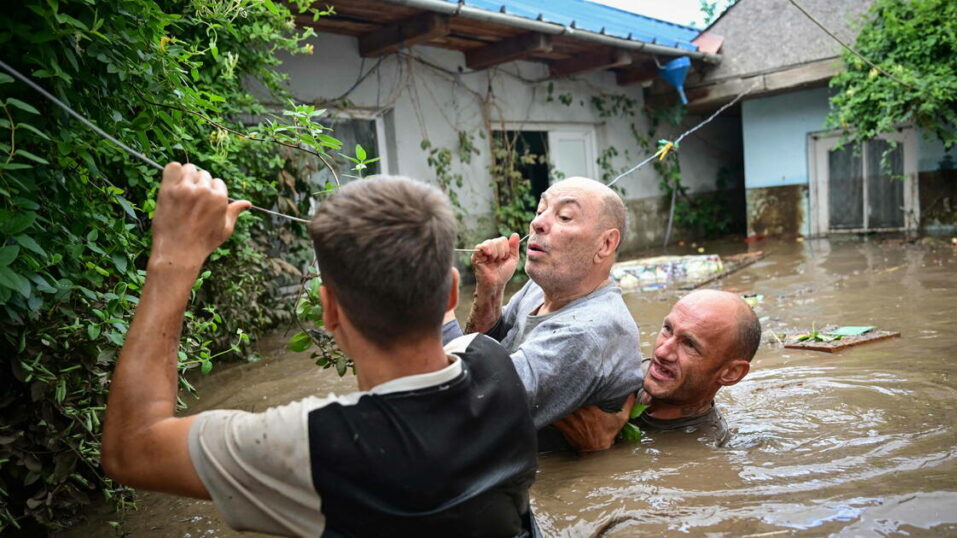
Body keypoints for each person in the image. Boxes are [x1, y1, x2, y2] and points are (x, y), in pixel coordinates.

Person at [101, 164, 538, 537]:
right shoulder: (495, 361)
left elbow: (132, 448)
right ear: (451, 294)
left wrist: (171, 260)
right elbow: (457, 349)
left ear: (328, 310)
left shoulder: (315, 443)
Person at [443, 177, 644, 448]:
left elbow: (467, 406)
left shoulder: (587, 330)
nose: (537, 223)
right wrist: (490, 291)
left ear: (606, 244)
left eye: (564, 216)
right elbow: (484, 350)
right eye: (540, 211)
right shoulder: (540, 289)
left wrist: (437, 308)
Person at [553, 289, 761, 450]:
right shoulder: (622, 371)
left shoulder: (701, 450)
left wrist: (596, 450)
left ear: (731, 373)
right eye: (668, 329)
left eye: (689, 344)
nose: (662, 352)